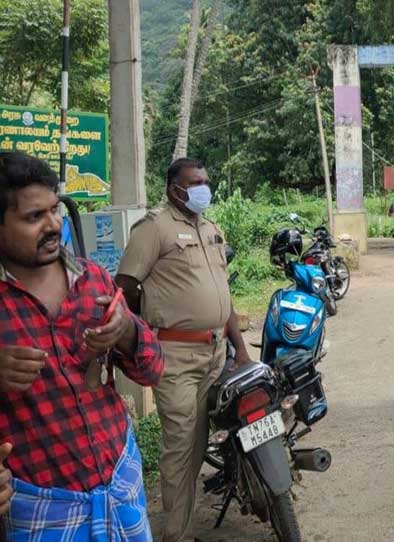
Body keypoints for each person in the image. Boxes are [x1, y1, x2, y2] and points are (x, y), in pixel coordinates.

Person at [0, 152, 164, 541]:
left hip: (120, 484)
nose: (53, 225)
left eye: (55, 210)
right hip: (39, 505)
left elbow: (153, 369)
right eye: (33, 217)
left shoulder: (92, 280)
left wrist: (125, 331)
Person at [116, 157, 252, 542]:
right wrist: (148, 325)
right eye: (195, 183)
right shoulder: (154, 229)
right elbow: (125, 283)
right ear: (174, 188)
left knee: (200, 442)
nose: (202, 189)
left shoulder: (210, 228)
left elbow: (223, 294)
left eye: (206, 181)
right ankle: (178, 534)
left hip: (216, 351)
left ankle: (188, 516)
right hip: (175, 357)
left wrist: (240, 349)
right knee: (180, 447)